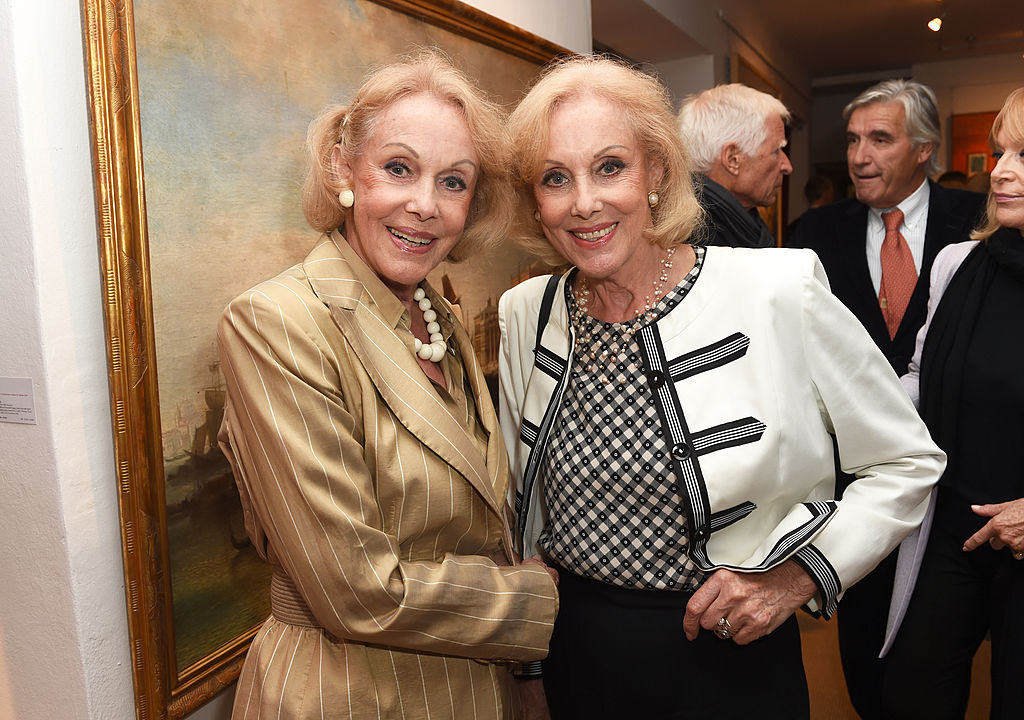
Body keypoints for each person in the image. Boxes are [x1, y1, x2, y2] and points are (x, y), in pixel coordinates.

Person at [498, 55, 945, 720]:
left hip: (728, 658)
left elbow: (906, 462)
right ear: (536, 200)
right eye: (555, 177)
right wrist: (528, 667)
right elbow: (521, 514)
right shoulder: (525, 312)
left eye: (610, 167)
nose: (584, 202)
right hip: (575, 658)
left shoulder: (777, 290)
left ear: (656, 171)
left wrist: (798, 576)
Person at [217, 53, 558, 720]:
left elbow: (479, 522)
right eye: (398, 168)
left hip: (469, 687)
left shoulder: (439, 317)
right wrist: (536, 596)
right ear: (343, 168)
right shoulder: (276, 322)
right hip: (350, 693)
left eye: (453, 182)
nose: (424, 205)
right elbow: (356, 590)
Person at [788, 79, 985, 719]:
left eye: (880, 139)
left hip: (954, 480)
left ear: (924, 149)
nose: (859, 157)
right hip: (856, 484)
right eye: (852, 140)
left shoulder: (979, 224)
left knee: (934, 659)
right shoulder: (814, 233)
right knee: (864, 652)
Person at [881, 87, 1024, 720]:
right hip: (949, 529)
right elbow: (923, 378)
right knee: (914, 692)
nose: (1001, 172)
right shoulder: (957, 264)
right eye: (1000, 153)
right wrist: (839, 413)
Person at [677, 83, 793, 248]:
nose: (787, 166)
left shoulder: (742, 226)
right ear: (733, 159)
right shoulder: (688, 240)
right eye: (776, 151)